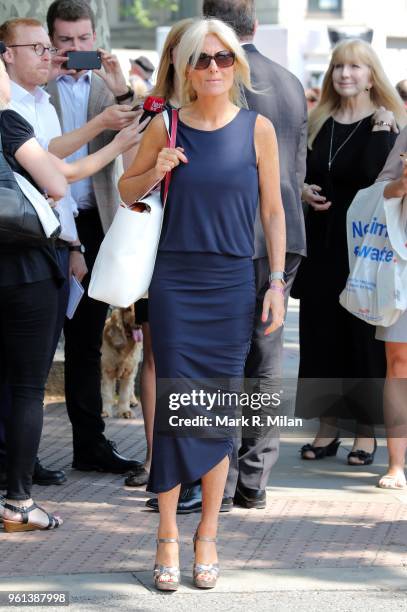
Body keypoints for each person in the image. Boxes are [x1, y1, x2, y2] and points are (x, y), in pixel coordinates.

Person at [119, 17, 285, 591]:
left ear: (236, 64)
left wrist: (278, 283)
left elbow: (273, 212)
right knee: (173, 410)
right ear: (184, 67)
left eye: (222, 58)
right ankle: (167, 532)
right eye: (201, 59)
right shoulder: (165, 125)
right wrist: (156, 166)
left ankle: (207, 535)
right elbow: (125, 190)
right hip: (176, 281)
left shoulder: (258, 127)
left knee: (214, 413)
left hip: (233, 281)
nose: (212, 68)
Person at [0, 16, 143, 490]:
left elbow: (55, 156)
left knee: (73, 348)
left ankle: (45, 458)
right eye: (46, 45)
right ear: (8, 55)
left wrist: (75, 242)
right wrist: (109, 139)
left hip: (69, 234)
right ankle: (17, 479)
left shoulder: (44, 97)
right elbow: (54, 172)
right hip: (26, 244)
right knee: (25, 373)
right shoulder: (14, 107)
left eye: (80, 41)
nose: (55, 55)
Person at [202, 0, 307, 511]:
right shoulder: (288, 81)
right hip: (283, 237)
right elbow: (298, 166)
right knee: (265, 358)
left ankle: (218, 475)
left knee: (223, 356)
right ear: (256, 26)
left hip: (230, 234)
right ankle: (254, 479)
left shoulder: (221, 77)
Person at [294, 39, 407, 464]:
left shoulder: (386, 122)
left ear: (371, 74)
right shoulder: (317, 121)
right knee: (321, 336)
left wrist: (383, 134)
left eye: (356, 67)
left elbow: (382, 183)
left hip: (364, 247)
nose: (345, 74)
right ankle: (326, 428)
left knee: (362, 339)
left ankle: (365, 432)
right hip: (322, 245)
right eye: (339, 66)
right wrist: (303, 190)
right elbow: (299, 172)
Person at [45, 0, 142, 473]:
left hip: (95, 221)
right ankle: (18, 452)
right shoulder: (32, 85)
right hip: (43, 224)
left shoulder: (107, 88)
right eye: (65, 41)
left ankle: (90, 444)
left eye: (84, 39)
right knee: (37, 341)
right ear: (50, 41)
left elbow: (142, 136)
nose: (76, 49)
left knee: (86, 339)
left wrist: (121, 87)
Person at [0, 53, 67, 531]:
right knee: (25, 389)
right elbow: (57, 183)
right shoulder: (9, 123)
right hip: (24, 273)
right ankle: (18, 503)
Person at [126, 18, 193, 491]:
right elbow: (127, 183)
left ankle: (199, 462)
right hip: (154, 247)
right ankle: (156, 459)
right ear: (172, 56)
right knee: (156, 356)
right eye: (188, 52)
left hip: (207, 254)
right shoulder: (155, 112)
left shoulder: (231, 111)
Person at [374, 131, 407, 490]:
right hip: (405, 262)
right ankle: (396, 464)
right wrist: (400, 185)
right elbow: (380, 190)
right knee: (399, 363)